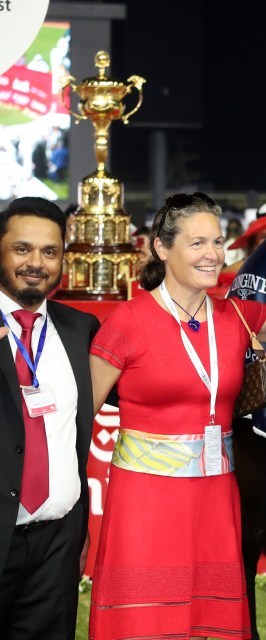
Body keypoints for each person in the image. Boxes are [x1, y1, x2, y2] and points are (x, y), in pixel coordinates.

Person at [86, 192, 266, 639]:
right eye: (197, 243)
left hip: (216, 495)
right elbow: (81, 421)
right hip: (146, 500)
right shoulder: (127, 322)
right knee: (146, 621)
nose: (213, 254)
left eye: (217, 242)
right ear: (162, 247)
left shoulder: (235, 315)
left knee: (209, 622)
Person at [0, 197, 100, 639]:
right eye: (22, 249)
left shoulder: (82, 329)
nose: (35, 263)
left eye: (49, 252)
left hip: (56, 545)